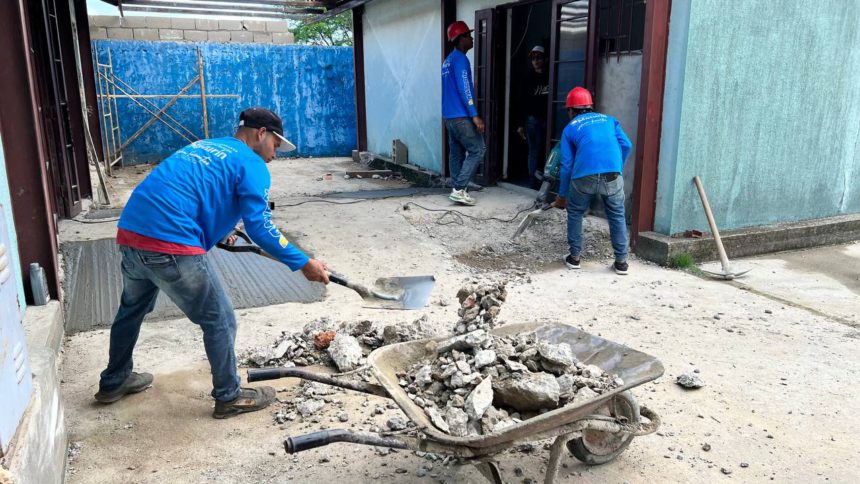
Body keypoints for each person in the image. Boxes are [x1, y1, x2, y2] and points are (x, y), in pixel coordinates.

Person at [95, 107, 330, 419]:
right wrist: (303, 263)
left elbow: (197, 194)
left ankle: (114, 380)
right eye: (275, 145)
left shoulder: (205, 146)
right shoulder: (252, 163)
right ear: (261, 134)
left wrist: (223, 229)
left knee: (131, 310)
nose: (275, 154)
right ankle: (229, 396)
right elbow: (261, 228)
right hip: (170, 243)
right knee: (220, 319)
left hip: (131, 235)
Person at [552, 87, 632, 275]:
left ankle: (575, 258)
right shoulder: (610, 120)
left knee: (575, 212)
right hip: (613, 174)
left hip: (583, 177)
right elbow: (626, 144)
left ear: (571, 110)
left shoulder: (570, 128)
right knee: (617, 215)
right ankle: (621, 263)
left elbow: (566, 165)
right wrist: (617, 167)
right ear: (590, 106)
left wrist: (562, 196)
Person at [442, 20, 486, 206]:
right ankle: (460, 189)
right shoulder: (460, 59)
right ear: (460, 39)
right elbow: (464, 88)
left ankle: (457, 186)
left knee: (457, 152)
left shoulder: (448, 60)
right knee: (478, 149)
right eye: (468, 35)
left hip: (449, 117)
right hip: (461, 116)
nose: (472, 38)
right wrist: (474, 115)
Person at [516, 45, 550, 188]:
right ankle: (532, 180)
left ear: (545, 59)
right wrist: (520, 124)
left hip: (548, 118)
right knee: (534, 150)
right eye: (533, 58)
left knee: (548, 149)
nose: (535, 61)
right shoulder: (528, 78)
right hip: (532, 119)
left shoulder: (551, 75)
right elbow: (521, 101)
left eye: (538, 57)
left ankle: (547, 179)